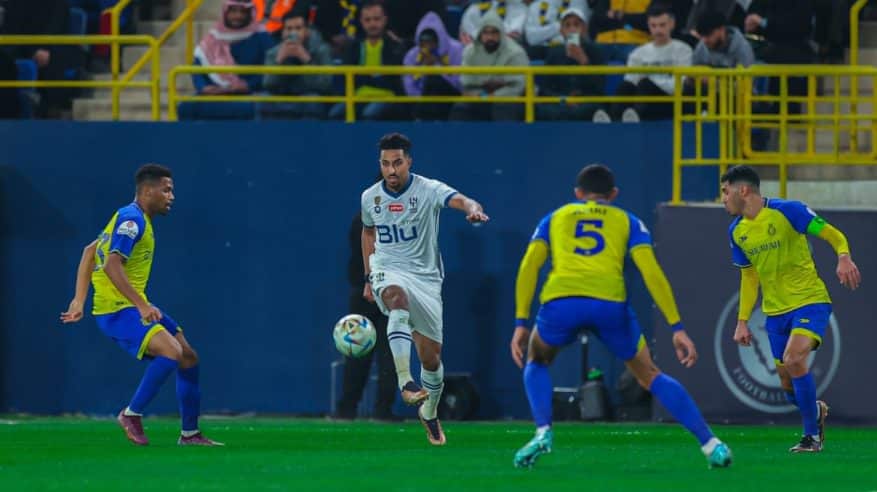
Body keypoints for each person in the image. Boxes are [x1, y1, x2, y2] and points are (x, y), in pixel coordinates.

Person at [510, 164, 731, 468]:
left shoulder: (555, 217)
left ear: (578, 193)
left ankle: (542, 432)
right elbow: (651, 272)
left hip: (562, 302)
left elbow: (529, 266)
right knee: (650, 375)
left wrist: (521, 322)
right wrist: (676, 326)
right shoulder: (628, 221)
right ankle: (711, 445)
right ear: (613, 194)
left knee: (537, 360)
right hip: (609, 305)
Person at [60, 164, 221, 447]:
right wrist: (141, 305)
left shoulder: (130, 216)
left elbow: (90, 251)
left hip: (131, 305)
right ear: (147, 191)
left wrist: (78, 300)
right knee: (171, 351)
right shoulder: (132, 221)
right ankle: (130, 414)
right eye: (166, 190)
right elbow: (111, 265)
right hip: (117, 309)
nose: (171, 196)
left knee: (188, 356)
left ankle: (190, 434)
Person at [360, 133, 489, 446]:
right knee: (396, 298)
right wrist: (368, 276)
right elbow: (368, 232)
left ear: (409, 162)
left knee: (431, 358)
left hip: (426, 278)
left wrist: (472, 209)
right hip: (388, 269)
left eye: (397, 163)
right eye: (385, 163)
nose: (391, 170)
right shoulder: (370, 197)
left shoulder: (428, 189)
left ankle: (429, 411)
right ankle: (406, 382)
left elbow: (462, 200)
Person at [720, 165, 861, 453]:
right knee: (787, 385)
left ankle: (812, 437)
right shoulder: (736, 231)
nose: (722, 198)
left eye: (725, 191)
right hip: (775, 313)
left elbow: (832, 233)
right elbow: (749, 277)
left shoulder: (789, 211)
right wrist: (742, 320)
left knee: (793, 358)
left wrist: (844, 257)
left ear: (742, 190)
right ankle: (815, 410)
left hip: (810, 301)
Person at [335, 209, 397, 421]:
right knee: (363, 351)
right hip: (372, 291)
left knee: (383, 353)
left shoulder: (368, 218)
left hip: (384, 291)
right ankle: (357, 408)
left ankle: (365, 409)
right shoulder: (368, 220)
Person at [328, 1, 408, 121]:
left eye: (376, 19)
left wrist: (367, 79)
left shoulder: (395, 47)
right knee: (335, 113)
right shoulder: (354, 47)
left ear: (385, 20)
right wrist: (372, 79)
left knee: (369, 113)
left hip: (386, 97)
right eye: (368, 20)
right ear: (361, 21)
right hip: (358, 97)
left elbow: (392, 80)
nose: (372, 24)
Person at [611, 5, 692, 122]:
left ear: (671, 24)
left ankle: (635, 116)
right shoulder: (637, 53)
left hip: (671, 100)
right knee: (625, 86)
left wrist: (652, 82)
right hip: (643, 96)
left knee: (645, 84)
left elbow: (680, 86)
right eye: (653, 26)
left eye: (662, 25)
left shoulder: (684, 50)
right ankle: (613, 121)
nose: (658, 30)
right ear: (648, 26)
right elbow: (631, 81)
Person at [449, 11, 529, 122]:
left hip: (510, 98)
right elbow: (466, 82)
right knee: (460, 108)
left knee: (502, 107)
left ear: (501, 33)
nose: (490, 37)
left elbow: (518, 86)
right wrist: (483, 94)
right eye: (486, 33)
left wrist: (492, 95)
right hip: (479, 97)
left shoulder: (516, 52)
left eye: (494, 32)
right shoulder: (470, 52)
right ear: (480, 34)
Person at [536, 8, 606, 122]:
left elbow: (599, 88)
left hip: (586, 102)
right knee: (542, 110)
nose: (572, 29)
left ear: (584, 29)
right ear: (561, 31)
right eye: (567, 25)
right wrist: (564, 99)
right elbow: (545, 89)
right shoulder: (554, 52)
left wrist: (584, 62)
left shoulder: (596, 51)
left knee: (592, 109)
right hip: (561, 102)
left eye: (576, 25)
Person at [263, 11, 333, 119]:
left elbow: (325, 85)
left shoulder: (322, 50)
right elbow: (268, 84)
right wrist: (279, 61)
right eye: (289, 29)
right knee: (263, 99)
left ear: (306, 31)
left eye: (298, 28)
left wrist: (306, 60)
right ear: (283, 32)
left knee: (312, 100)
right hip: (282, 96)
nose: (293, 33)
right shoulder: (273, 53)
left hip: (308, 95)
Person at [402, 12, 464, 121]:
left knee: (434, 79)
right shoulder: (412, 55)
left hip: (450, 96)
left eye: (430, 41)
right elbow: (409, 86)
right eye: (423, 42)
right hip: (422, 102)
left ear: (438, 39)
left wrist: (437, 68)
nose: (427, 46)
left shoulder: (457, 50)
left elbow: (459, 83)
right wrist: (423, 70)